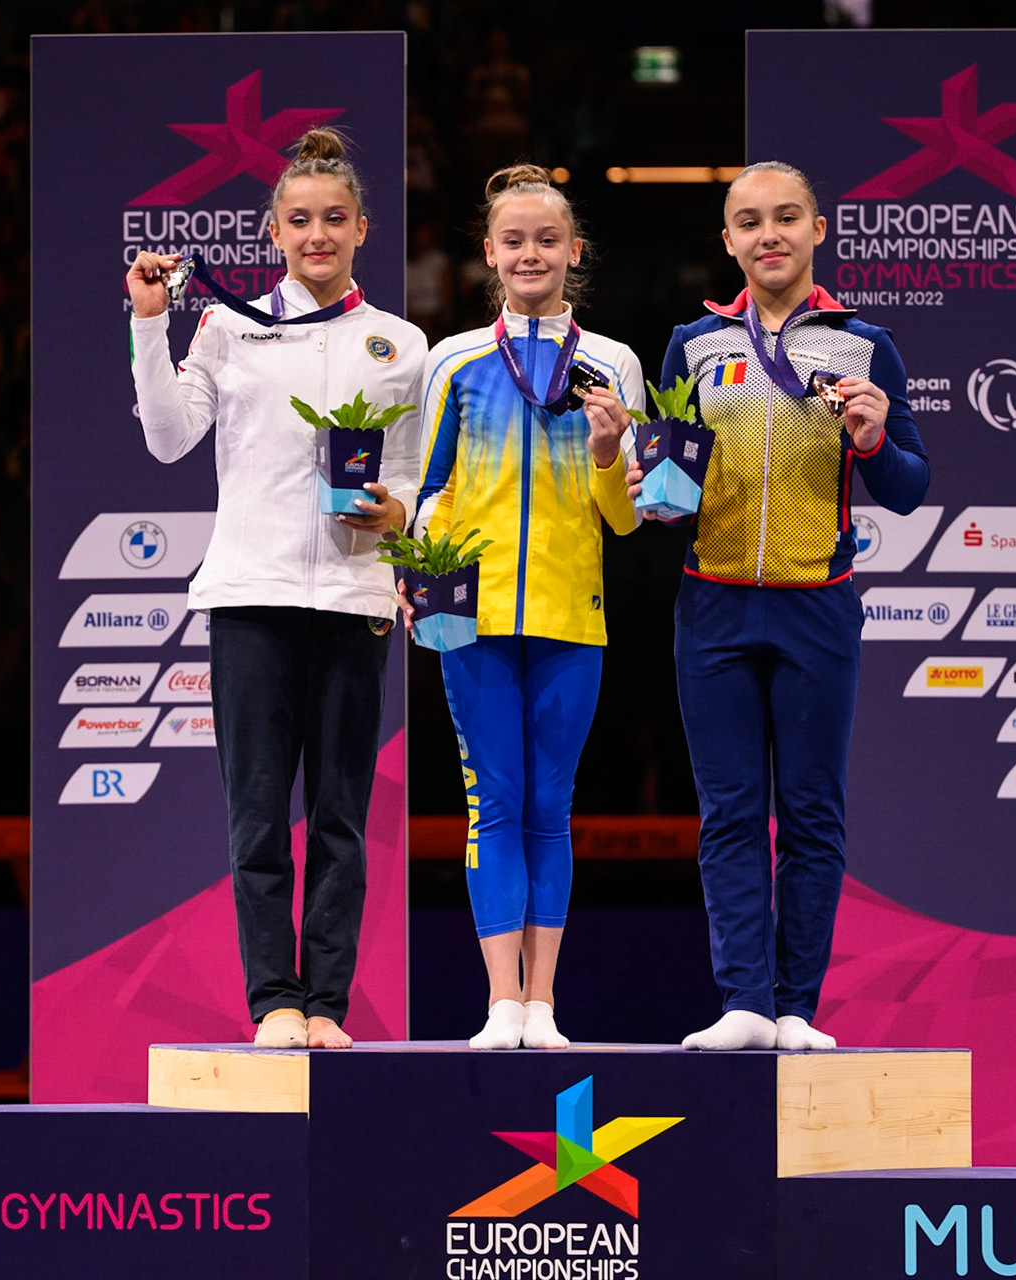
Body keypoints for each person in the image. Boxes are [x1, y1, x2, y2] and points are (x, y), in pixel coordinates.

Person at [127, 129, 427, 1051]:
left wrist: (397, 512)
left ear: (362, 229)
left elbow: (415, 478)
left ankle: (328, 1006)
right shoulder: (227, 327)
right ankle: (274, 1003)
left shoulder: (400, 344)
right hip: (251, 596)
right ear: (274, 233)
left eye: (334, 219)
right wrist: (150, 324)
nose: (318, 234)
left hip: (352, 600)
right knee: (257, 814)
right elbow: (168, 439)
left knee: (340, 816)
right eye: (300, 220)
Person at [634, 161, 930, 1051]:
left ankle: (797, 1008)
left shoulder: (864, 345)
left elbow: (911, 487)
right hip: (713, 606)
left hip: (818, 606)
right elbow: (668, 475)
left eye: (787, 218)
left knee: (809, 815)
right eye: (750, 221)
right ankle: (743, 1006)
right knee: (729, 813)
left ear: (817, 230)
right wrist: (652, 480)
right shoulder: (692, 344)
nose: (769, 235)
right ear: (728, 241)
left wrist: (875, 441)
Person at [412, 164, 642, 1050]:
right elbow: (429, 488)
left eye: (548, 239)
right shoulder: (457, 361)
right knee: (493, 804)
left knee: (552, 803)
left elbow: (625, 517)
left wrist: (607, 448)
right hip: (468, 617)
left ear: (573, 251)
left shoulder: (612, 364)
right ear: (489, 255)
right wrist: (419, 571)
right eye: (514, 240)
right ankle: (498, 1002)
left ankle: (542, 1004)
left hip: (570, 614)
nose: (530, 253)